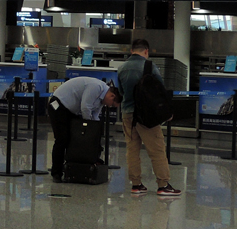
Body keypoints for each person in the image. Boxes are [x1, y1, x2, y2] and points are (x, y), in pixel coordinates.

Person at [116, 39, 181, 197]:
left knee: (132, 149)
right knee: (157, 150)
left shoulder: (121, 68)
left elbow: (121, 92)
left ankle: (136, 184)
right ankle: (163, 184)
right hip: (146, 116)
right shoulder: (149, 66)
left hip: (127, 113)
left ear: (131, 51)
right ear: (146, 51)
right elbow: (160, 90)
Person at [47, 75, 120, 182]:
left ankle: (71, 169)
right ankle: (56, 172)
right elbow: (85, 107)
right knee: (62, 139)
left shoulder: (102, 99)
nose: (110, 106)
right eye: (112, 104)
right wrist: (89, 127)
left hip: (71, 111)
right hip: (58, 106)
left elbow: (95, 116)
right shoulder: (96, 87)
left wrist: (95, 131)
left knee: (74, 139)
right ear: (112, 96)